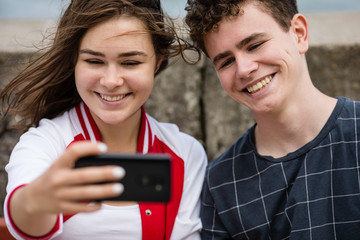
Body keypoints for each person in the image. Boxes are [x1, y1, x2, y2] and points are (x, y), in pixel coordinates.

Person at [0, 0, 207, 239]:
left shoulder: (186, 153)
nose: (111, 81)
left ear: (158, 62)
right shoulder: (44, 143)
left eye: (130, 62)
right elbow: (24, 218)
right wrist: (38, 200)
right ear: (74, 61)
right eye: (94, 61)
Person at [185, 0, 360, 239]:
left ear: (299, 33)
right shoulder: (221, 183)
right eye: (226, 61)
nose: (244, 69)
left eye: (254, 45)